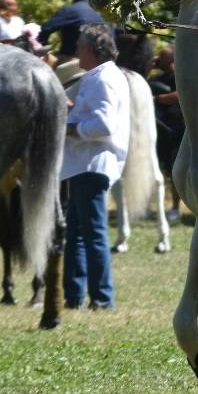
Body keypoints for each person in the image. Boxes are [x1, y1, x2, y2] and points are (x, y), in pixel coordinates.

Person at [61, 23, 131, 309]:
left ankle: (102, 298)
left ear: (90, 51)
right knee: (78, 233)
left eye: (79, 47)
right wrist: (71, 110)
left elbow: (104, 124)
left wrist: (72, 128)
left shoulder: (103, 78)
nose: (76, 51)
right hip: (85, 164)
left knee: (91, 234)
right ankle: (75, 296)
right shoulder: (99, 76)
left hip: (91, 162)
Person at [149, 44, 184, 222]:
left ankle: (175, 208)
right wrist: (150, 65)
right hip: (158, 128)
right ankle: (150, 206)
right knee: (155, 167)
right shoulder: (157, 77)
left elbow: (180, 95)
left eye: (161, 57)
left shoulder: (181, 77)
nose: (158, 59)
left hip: (176, 128)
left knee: (174, 171)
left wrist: (156, 99)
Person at [40, 0, 104, 63]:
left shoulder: (70, 11)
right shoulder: (100, 13)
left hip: (72, 63)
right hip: (98, 63)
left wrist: (45, 52)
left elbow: (44, 29)